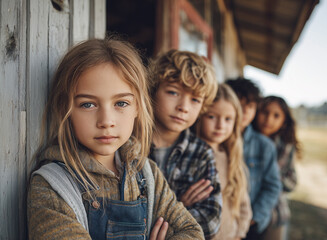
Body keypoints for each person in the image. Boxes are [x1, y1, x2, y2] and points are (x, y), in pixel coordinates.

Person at [27, 38, 204, 240]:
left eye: (121, 103)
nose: (106, 121)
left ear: (138, 106)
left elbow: (192, 232)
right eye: (88, 104)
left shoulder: (147, 175)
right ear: (64, 108)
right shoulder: (53, 186)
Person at [148, 49, 221, 239]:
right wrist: (181, 207)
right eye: (173, 92)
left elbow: (210, 219)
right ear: (154, 90)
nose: (183, 107)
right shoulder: (129, 145)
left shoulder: (202, 153)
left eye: (195, 99)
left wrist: (164, 229)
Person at [226, 77, 282, 240]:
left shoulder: (264, 145)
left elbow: (272, 186)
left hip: (251, 226)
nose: (244, 111)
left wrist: (253, 218)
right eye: (239, 104)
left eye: (250, 106)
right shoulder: (216, 138)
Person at [196, 83, 252, 240]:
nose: (221, 125)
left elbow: (243, 205)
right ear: (200, 116)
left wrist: (239, 234)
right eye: (212, 117)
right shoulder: (189, 155)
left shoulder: (232, 158)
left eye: (228, 119)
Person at [254, 96, 301, 240]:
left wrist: (272, 178)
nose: (269, 119)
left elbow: (292, 182)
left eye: (276, 116)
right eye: (265, 112)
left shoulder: (285, 146)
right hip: (245, 211)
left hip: (275, 214)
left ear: (284, 122)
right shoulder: (248, 141)